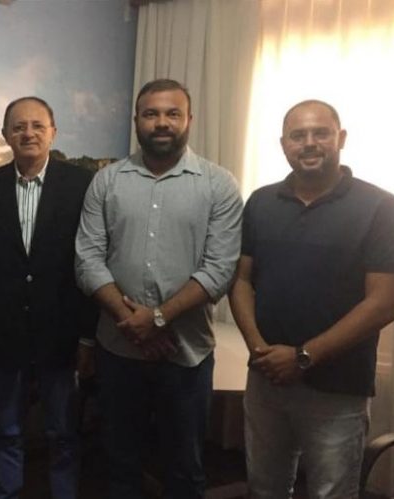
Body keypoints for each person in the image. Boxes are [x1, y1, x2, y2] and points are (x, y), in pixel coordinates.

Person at [75, 78, 243, 499]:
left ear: (189, 120)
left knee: (185, 471)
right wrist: (132, 322)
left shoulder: (218, 185)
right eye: (151, 114)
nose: (162, 122)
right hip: (118, 352)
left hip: (186, 356)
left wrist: (158, 318)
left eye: (172, 113)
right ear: (137, 120)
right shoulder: (106, 181)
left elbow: (220, 269)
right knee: (120, 466)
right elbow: (87, 261)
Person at [229, 99, 394, 499]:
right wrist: (257, 348)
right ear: (283, 144)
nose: (309, 143)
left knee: (331, 492)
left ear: (340, 138)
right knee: (264, 488)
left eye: (320, 133)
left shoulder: (381, 207)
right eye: (298, 135)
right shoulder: (261, 201)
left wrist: (304, 357)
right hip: (267, 379)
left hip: (338, 388)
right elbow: (241, 280)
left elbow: (384, 303)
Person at [0, 96, 97, 499]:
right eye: (19, 126)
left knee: (63, 432)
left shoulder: (81, 184)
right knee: (7, 430)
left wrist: (88, 337)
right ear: (6, 134)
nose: (29, 133)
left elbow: (91, 262)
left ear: (53, 132)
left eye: (38, 125)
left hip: (62, 334)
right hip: (5, 333)